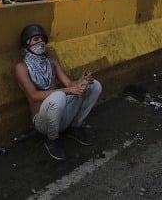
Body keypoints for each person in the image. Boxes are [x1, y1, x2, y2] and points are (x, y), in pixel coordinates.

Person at [14, 24, 102, 161]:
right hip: (43, 121)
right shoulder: (21, 67)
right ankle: (52, 140)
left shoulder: (52, 62)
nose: (40, 43)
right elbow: (34, 96)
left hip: (62, 114)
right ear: (27, 44)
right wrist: (68, 90)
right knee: (59, 96)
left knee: (94, 86)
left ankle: (75, 126)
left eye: (42, 39)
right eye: (36, 39)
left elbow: (69, 84)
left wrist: (82, 80)